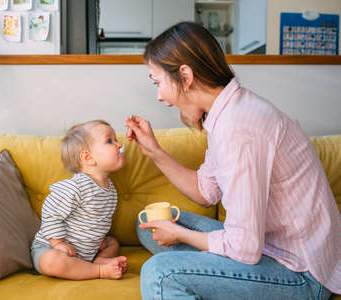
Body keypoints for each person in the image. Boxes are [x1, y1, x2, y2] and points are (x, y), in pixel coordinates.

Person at [125, 22, 339, 299]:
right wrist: (154, 150)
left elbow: (244, 248)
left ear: (185, 76)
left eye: (159, 82)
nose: (159, 96)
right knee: (147, 224)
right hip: (268, 246)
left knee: (160, 273)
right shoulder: (226, 112)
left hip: (302, 272)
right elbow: (205, 192)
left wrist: (180, 235)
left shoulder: (238, 129)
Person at [30, 120, 128, 280]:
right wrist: (58, 243)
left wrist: (100, 238)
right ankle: (99, 271)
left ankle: (99, 260)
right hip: (51, 248)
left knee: (113, 242)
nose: (119, 145)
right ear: (88, 157)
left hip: (88, 251)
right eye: (110, 141)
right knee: (52, 261)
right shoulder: (75, 186)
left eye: (116, 140)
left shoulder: (110, 189)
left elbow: (99, 220)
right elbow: (50, 212)